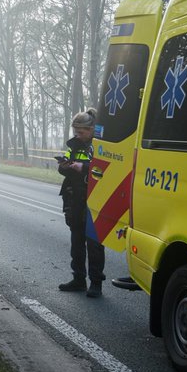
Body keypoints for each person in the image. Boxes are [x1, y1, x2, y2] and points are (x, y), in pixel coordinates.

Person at [57, 108, 105, 297]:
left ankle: (96, 283)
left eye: (81, 132)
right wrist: (65, 166)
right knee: (76, 242)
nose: (77, 135)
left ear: (91, 129)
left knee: (94, 244)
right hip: (75, 198)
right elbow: (65, 168)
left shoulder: (101, 146)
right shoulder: (74, 145)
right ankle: (78, 279)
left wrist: (83, 168)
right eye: (75, 131)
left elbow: (104, 169)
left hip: (95, 199)